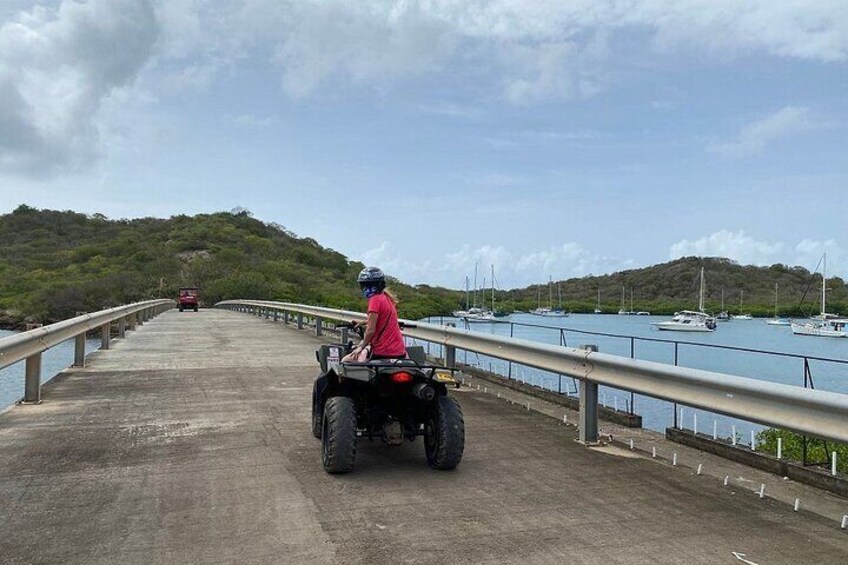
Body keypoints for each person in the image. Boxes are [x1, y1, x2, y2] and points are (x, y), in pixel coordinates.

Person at [346, 266, 407, 361]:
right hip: (399, 352)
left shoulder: (375, 300)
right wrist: (363, 322)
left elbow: (370, 330)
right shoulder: (387, 298)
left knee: (345, 362)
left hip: (382, 352)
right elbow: (381, 319)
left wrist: (361, 347)